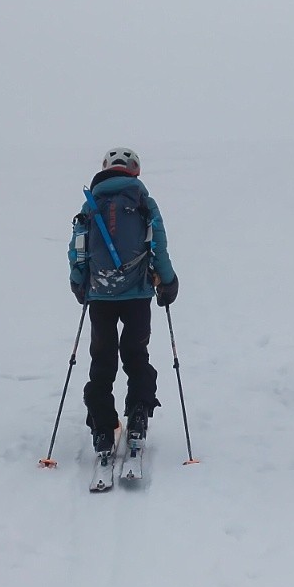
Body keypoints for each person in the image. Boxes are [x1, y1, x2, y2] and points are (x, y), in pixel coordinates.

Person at [68, 147, 179, 457]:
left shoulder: (91, 204)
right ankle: (139, 414)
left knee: (102, 361)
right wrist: (168, 281)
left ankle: (103, 430)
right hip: (137, 295)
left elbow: (77, 248)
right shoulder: (143, 201)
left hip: (100, 295)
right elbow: (158, 244)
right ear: (135, 171)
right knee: (136, 354)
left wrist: (79, 281)